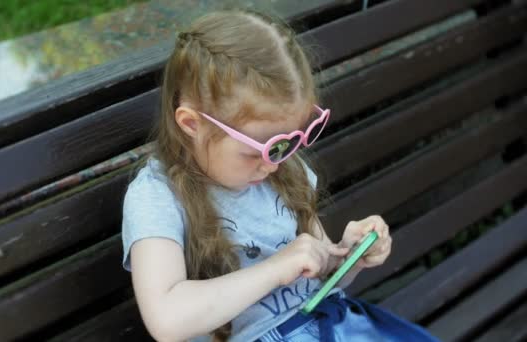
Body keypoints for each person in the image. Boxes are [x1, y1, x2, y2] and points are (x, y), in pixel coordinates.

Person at [121, 9, 439, 342]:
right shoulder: (157, 197)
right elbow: (167, 319)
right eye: (257, 149)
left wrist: (347, 256)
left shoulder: (283, 171)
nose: (273, 163)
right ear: (192, 125)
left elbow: (315, 277)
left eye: (287, 143)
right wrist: (274, 270)